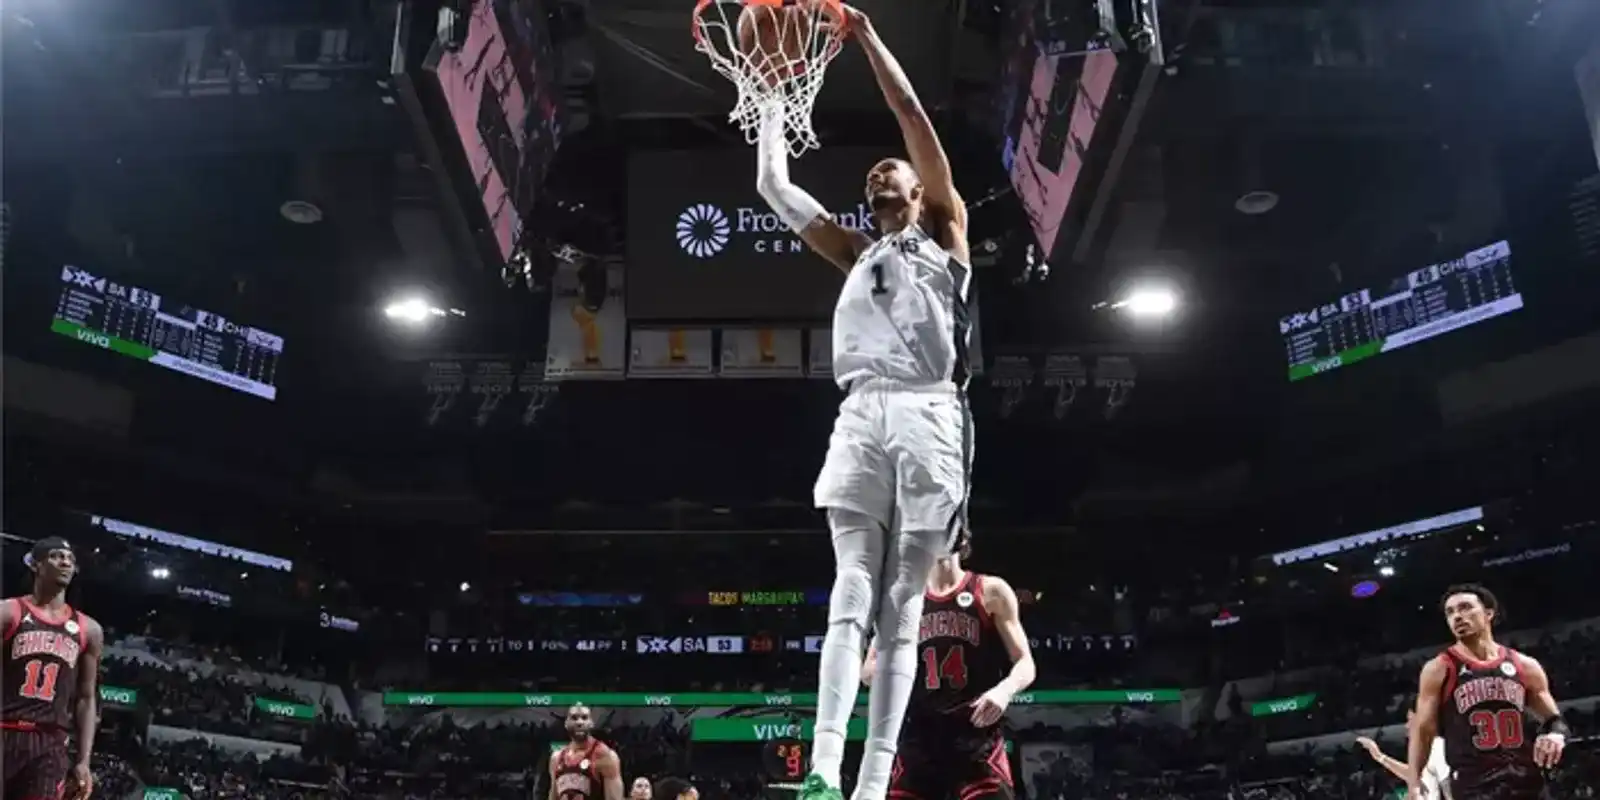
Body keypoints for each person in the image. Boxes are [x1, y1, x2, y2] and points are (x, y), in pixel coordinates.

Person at [750, 6, 973, 800]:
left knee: (902, 607)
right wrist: (771, 92)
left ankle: (873, 783)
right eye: (872, 173)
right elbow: (772, 186)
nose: (881, 174)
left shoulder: (945, 230)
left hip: (928, 411)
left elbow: (911, 117)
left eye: (893, 171)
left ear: (917, 189)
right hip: (859, 410)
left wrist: (865, 39)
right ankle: (820, 771)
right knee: (850, 591)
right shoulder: (854, 252)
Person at [860, 532, 1034, 800]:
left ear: (961, 540)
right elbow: (869, 672)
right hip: (920, 735)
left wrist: (1004, 691)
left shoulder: (990, 590)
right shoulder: (904, 600)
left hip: (975, 733)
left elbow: (1025, 663)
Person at [1407, 584, 1569, 800]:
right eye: (1450, 612)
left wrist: (1556, 735)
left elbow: (1554, 720)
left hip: (1527, 781)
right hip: (1474, 785)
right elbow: (1424, 730)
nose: (1457, 616)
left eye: (1465, 608)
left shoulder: (1525, 665)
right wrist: (1414, 781)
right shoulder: (1439, 668)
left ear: (1488, 613)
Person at [2, 537, 105, 800]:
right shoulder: (9, 612)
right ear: (36, 565)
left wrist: (83, 761)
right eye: (57, 556)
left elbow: (86, 697)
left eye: (70, 559)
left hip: (50, 741)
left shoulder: (88, 629)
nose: (65, 563)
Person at [1357, 710, 1452, 800]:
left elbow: (1448, 787)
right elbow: (1413, 775)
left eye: (1410, 720)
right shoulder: (1426, 749)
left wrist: (1380, 757)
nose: (1407, 726)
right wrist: (1379, 756)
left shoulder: (1437, 746)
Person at [550, 704, 624, 800]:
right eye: (574, 718)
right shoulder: (556, 758)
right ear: (566, 723)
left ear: (591, 723)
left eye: (584, 718)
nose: (579, 722)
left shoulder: (605, 756)